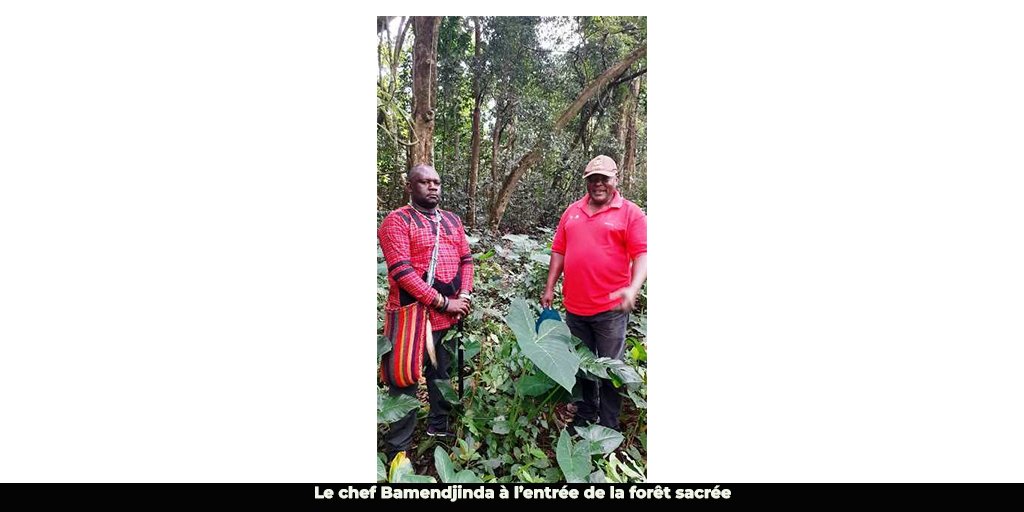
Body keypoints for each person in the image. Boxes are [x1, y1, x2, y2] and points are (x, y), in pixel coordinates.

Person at [541, 155, 647, 432]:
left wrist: (633, 288)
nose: (598, 184)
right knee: (581, 366)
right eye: (593, 179)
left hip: (610, 310)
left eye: (604, 178)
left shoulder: (630, 213)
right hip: (575, 308)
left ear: (615, 179)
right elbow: (559, 251)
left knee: (611, 369)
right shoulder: (572, 211)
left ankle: (609, 426)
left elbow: (642, 254)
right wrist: (550, 286)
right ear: (587, 181)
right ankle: (586, 417)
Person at [378, 164, 474, 462]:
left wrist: (465, 296)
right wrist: (444, 302)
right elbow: (402, 272)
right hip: (410, 316)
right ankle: (399, 449)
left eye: (437, 182)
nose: (433, 187)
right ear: (410, 186)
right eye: (424, 182)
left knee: (440, 375)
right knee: (403, 381)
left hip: (446, 318)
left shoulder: (452, 221)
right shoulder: (396, 221)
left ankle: (438, 429)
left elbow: (466, 260)